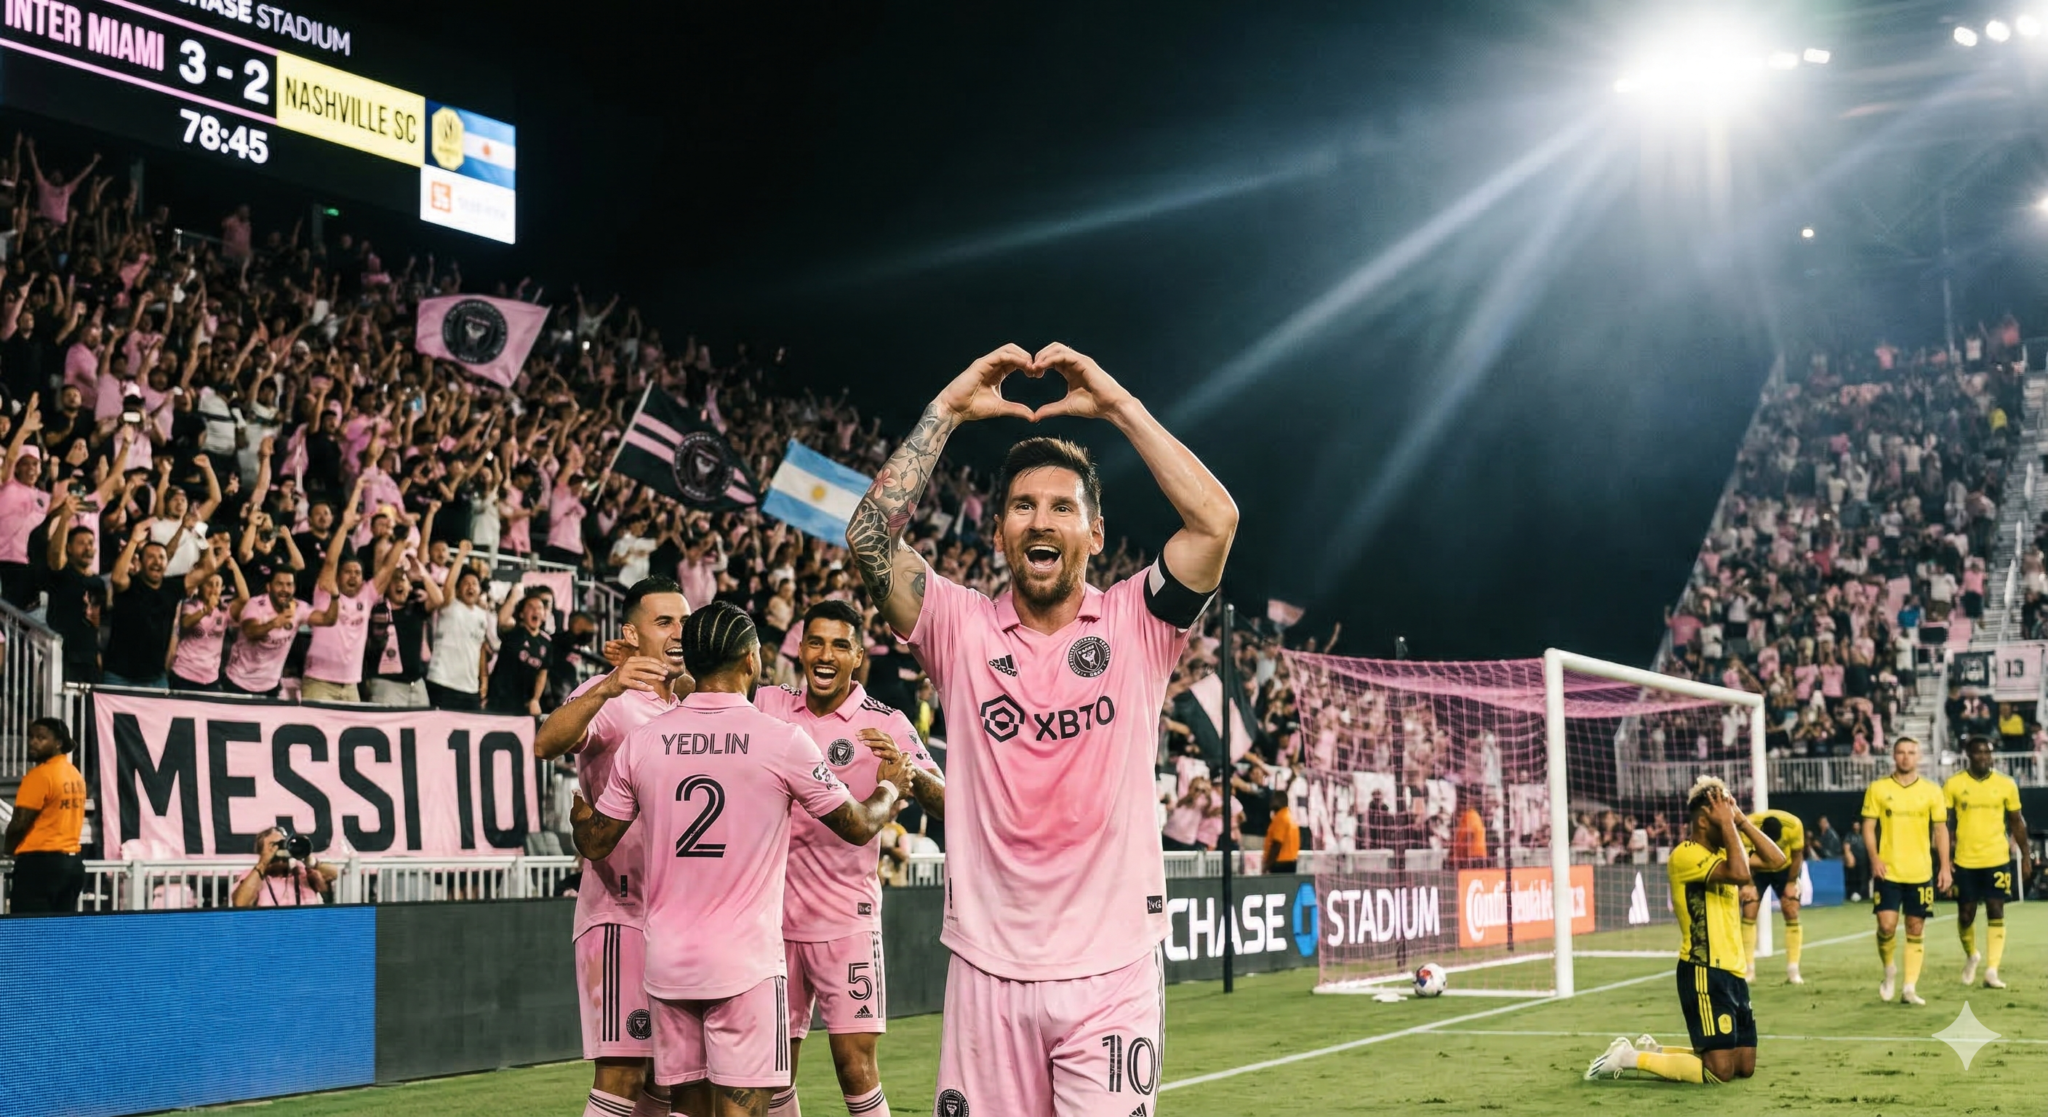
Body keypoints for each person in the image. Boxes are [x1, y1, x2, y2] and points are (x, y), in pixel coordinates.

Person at [846, 343, 1236, 1117]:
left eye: (1064, 507)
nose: (1041, 519)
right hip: (987, 973)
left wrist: (1119, 402)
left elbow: (1216, 519)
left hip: (1111, 971)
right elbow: (867, 541)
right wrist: (949, 410)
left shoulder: (1137, 622)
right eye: (1023, 506)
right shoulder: (961, 628)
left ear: (1094, 534)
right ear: (999, 534)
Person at [571, 603, 912, 1117]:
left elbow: (596, 840)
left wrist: (579, 818)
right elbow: (860, 824)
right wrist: (890, 786)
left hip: (668, 963)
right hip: (745, 963)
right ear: (751, 662)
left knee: (687, 1107)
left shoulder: (644, 742)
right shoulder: (781, 740)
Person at [753, 599, 945, 1117]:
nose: (825, 654)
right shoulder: (768, 704)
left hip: (846, 920)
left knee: (854, 1067)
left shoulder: (887, 723)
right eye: (816, 642)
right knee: (770, 1071)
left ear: (857, 656)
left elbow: (946, 799)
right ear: (799, 649)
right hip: (769, 924)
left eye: (840, 645)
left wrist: (907, 771)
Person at [535, 576, 692, 1117]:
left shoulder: (689, 703)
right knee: (622, 1074)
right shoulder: (613, 696)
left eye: (684, 621)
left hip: (675, 918)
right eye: (664, 621)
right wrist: (604, 685)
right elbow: (545, 741)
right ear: (631, 632)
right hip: (620, 913)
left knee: (668, 1081)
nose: (679, 631)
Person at [1585, 776, 1783, 1085]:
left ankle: (1658, 1050)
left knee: (1744, 1066)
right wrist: (1730, 825)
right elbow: (1742, 873)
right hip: (1703, 971)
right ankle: (1627, 1058)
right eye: (1724, 815)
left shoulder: (1724, 850)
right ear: (1705, 820)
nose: (1730, 819)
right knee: (1719, 1072)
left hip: (1734, 972)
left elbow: (1777, 860)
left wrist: (1740, 820)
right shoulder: (1685, 855)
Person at [1860, 736, 1952, 1005]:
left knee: (1915, 927)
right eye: (1901, 752)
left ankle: (1909, 988)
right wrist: (1874, 858)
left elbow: (1940, 830)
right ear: (1893, 755)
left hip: (1920, 872)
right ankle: (1889, 970)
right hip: (1888, 870)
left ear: (1918, 756)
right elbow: (1868, 827)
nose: (1906, 757)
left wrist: (1945, 866)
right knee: (1886, 926)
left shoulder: (1933, 791)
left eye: (1911, 752)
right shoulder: (1878, 789)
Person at [1944, 736, 2032, 989]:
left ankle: (1992, 970)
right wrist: (1945, 860)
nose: (1983, 756)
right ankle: (1972, 954)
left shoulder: (2006, 784)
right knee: (1965, 914)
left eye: (1987, 752)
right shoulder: (1954, 784)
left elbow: (2017, 821)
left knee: (1996, 910)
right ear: (1968, 755)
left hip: (1996, 858)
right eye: (1978, 752)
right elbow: (1946, 825)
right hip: (1965, 860)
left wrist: (2025, 856)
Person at [104, 520, 221, 688]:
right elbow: (116, 577)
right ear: (141, 563)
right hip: (118, 676)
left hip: (155, 678)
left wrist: (201, 537)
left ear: (167, 563)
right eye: (150, 557)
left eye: (161, 557)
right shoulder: (129, 585)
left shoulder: (172, 587)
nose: (156, 561)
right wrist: (133, 542)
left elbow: (209, 568)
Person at [4, 718, 88, 914]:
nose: (33, 742)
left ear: (58, 743)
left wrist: (7, 849)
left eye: (41, 738)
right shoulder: (74, 774)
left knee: (28, 933)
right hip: (72, 864)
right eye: (31, 737)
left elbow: (20, 822)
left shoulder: (40, 776)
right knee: (59, 934)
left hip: (40, 866)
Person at [1740, 808, 1806, 984]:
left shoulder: (1794, 825)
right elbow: (1741, 858)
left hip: (1786, 868)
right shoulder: (1747, 827)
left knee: (1791, 909)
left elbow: (1798, 854)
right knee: (1749, 909)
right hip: (1757, 869)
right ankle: (1748, 970)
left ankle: (1793, 971)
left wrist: (1792, 882)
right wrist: (1747, 884)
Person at [226, 567, 310, 697]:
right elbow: (250, 632)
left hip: (271, 685)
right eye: (279, 584)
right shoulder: (254, 605)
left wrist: (333, 596)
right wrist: (274, 623)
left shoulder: (299, 607)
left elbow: (327, 619)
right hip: (239, 682)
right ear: (269, 587)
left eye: (289, 585)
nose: (285, 589)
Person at [230, 826, 337, 908]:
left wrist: (308, 860)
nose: (280, 848)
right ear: (261, 851)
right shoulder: (253, 876)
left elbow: (335, 874)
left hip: (307, 929)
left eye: (283, 843)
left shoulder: (302, 872)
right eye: (274, 845)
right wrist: (263, 863)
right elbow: (240, 903)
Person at [489, 590, 552, 716]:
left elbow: (542, 673)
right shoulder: (513, 631)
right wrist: (514, 596)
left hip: (523, 705)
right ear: (522, 614)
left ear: (544, 615)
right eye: (530, 607)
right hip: (499, 700)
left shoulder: (546, 642)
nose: (535, 611)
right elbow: (502, 620)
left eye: (539, 608)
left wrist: (535, 699)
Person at [1263, 791, 1300, 873]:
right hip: (1291, 861)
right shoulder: (1290, 816)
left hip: (1280, 863)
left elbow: (1277, 843)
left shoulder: (1281, 818)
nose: (1271, 802)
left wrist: (1267, 865)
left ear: (1280, 801)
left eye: (1273, 799)